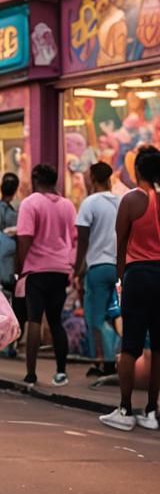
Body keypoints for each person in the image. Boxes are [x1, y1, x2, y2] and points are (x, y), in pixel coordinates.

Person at [100, 146, 160, 430]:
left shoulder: (131, 200)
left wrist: (120, 279)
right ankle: (151, 410)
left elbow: (121, 243)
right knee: (158, 348)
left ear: (137, 171)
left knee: (130, 347)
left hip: (138, 275)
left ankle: (125, 409)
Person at [15, 163, 76, 388]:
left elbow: (24, 238)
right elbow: (74, 237)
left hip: (37, 269)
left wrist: (21, 268)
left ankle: (31, 373)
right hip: (60, 269)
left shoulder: (30, 203)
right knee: (56, 320)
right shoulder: (68, 205)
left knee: (34, 320)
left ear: (35, 179)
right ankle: (61, 371)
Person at [74, 162, 120, 382]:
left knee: (95, 318)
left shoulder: (89, 203)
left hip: (97, 268)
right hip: (118, 267)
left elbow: (82, 239)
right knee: (113, 316)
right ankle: (108, 360)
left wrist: (77, 268)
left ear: (92, 178)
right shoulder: (120, 202)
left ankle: (108, 361)